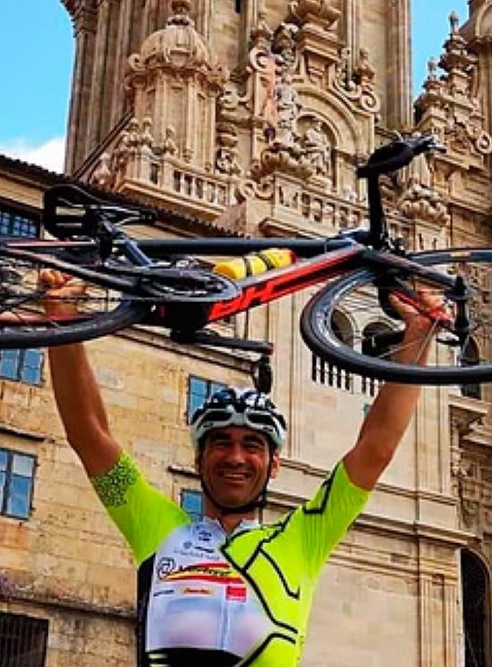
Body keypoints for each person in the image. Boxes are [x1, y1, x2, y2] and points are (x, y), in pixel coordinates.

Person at [41, 269, 447, 667]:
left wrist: (417, 335)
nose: (235, 457)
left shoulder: (302, 540)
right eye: (221, 443)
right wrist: (62, 318)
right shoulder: (157, 528)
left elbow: (375, 448)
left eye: (252, 445)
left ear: (273, 466)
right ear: (198, 459)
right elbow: (89, 435)